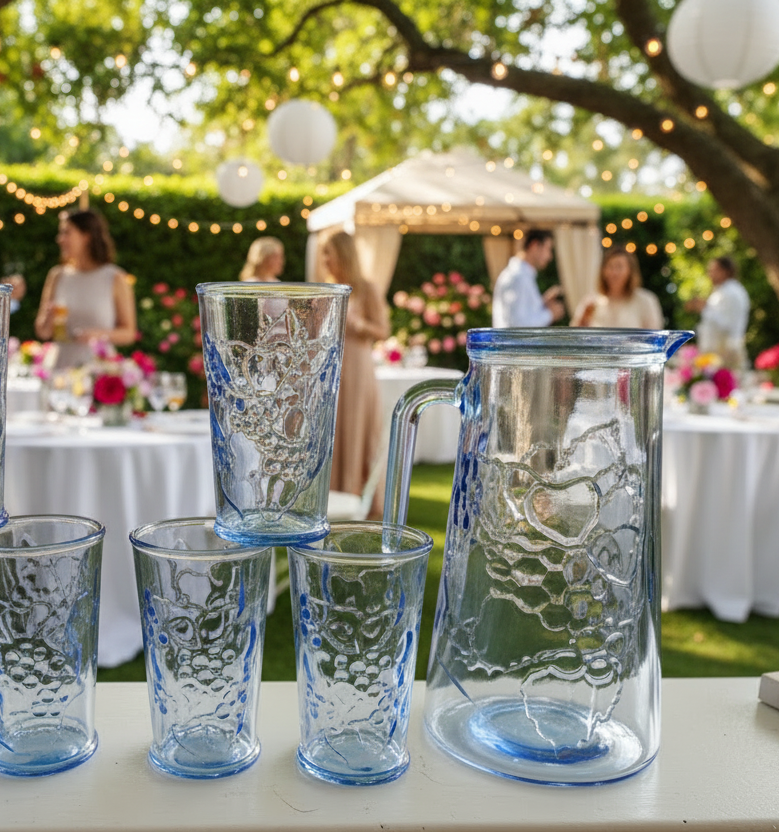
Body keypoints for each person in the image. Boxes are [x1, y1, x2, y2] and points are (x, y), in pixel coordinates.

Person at [322, 230, 391, 519]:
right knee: (332, 429)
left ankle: (357, 498)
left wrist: (359, 323)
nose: (325, 260)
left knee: (356, 427)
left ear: (343, 255)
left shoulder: (366, 288)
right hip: (330, 369)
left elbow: (383, 331)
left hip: (358, 369)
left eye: (329, 254)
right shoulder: (325, 290)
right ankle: (330, 495)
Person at [35, 209, 137, 368]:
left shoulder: (115, 278)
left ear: (86, 236)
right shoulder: (57, 275)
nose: (59, 239)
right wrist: (49, 318)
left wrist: (97, 335)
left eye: (66, 233)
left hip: (99, 371)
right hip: (59, 367)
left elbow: (129, 333)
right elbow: (43, 332)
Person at [571, 246, 664, 329]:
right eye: (610, 266)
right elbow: (574, 335)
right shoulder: (591, 301)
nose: (614, 272)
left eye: (619, 267)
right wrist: (583, 321)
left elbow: (654, 335)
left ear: (630, 271)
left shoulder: (646, 300)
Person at [685, 255, 750, 369]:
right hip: (718, 354)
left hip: (726, 355)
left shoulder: (731, 292)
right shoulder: (724, 291)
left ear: (725, 271)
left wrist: (704, 308)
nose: (709, 274)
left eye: (713, 270)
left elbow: (727, 325)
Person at [492, 228, 565, 327]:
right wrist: (550, 314)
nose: (550, 256)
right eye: (548, 249)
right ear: (535, 246)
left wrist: (542, 304)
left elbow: (523, 313)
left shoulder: (522, 276)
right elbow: (519, 325)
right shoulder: (517, 277)